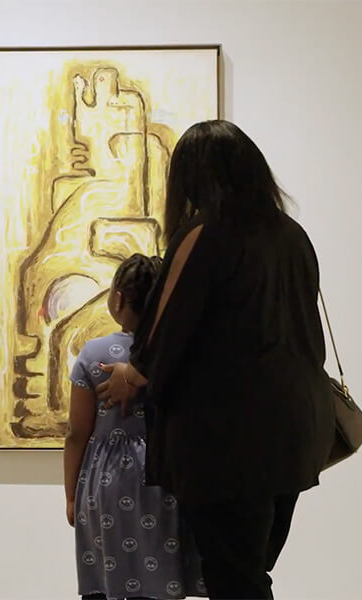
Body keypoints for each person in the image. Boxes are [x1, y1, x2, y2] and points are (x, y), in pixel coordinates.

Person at [95, 120, 336, 600]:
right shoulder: (292, 235)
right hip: (296, 430)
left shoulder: (203, 234)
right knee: (250, 569)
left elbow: (169, 322)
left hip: (230, 438)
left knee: (233, 577)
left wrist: (134, 374)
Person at [64, 253, 206, 600]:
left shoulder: (94, 354)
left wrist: (71, 496)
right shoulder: (174, 353)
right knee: (159, 584)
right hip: (164, 478)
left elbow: (76, 433)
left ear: (116, 299)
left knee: (106, 581)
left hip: (107, 483)